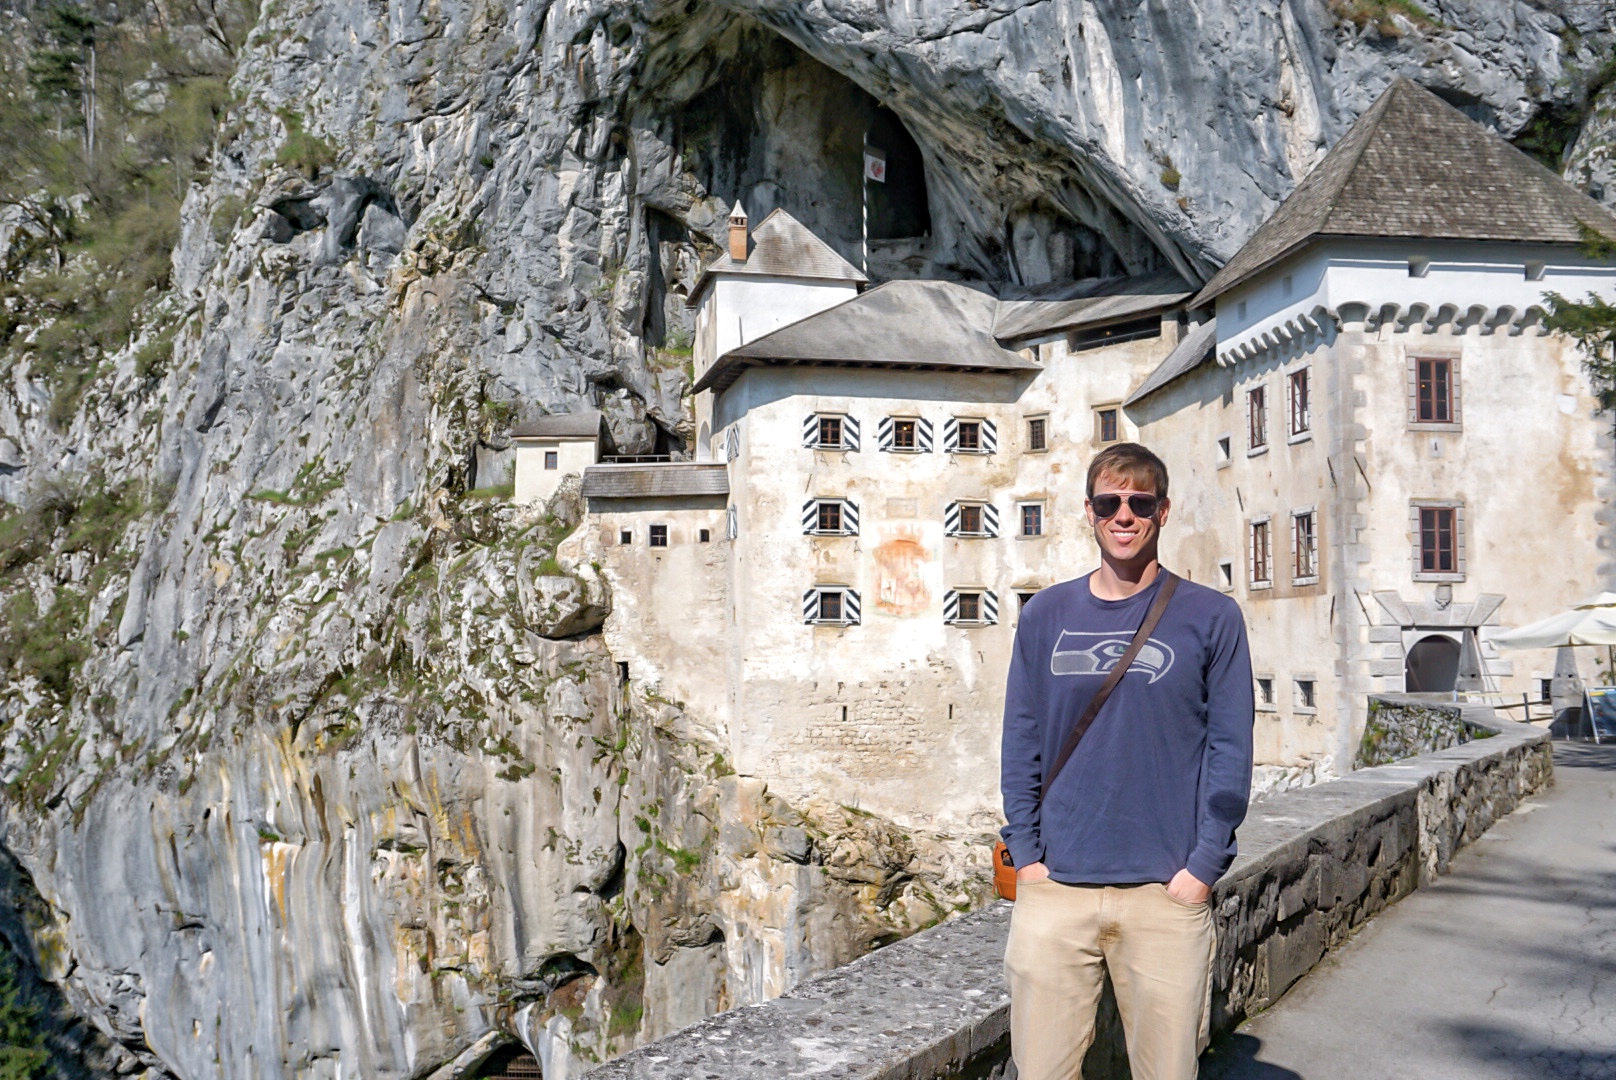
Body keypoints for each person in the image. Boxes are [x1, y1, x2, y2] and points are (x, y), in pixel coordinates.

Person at [1000, 441, 1254, 1080]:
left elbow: (1231, 749)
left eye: (1140, 502)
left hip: (1164, 894)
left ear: (1162, 512)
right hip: (1055, 889)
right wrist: (1027, 860)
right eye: (1110, 502)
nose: (1124, 515)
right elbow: (1021, 741)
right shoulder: (1044, 615)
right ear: (1088, 511)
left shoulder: (1212, 617)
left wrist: (1201, 869)